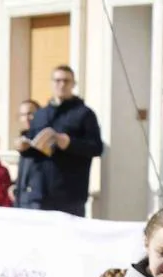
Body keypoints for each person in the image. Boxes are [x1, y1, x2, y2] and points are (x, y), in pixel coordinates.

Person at [17, 66, 102, 216]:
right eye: (57, 80)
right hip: (40, 193)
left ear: (73, 84)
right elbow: (33, 149)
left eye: (66, 81)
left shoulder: (84, 114)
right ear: (51, 83)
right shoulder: (41, 114)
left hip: (70, 195)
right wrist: (23, 147)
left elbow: (96, 148)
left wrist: (69, 143)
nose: (61, 84)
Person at [12, 99, 43, 208]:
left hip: (38, 200)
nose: (26, 118)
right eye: (23, 115)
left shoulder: (45, 137)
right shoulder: (22, 139)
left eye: (30, 114)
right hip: (22, 199)